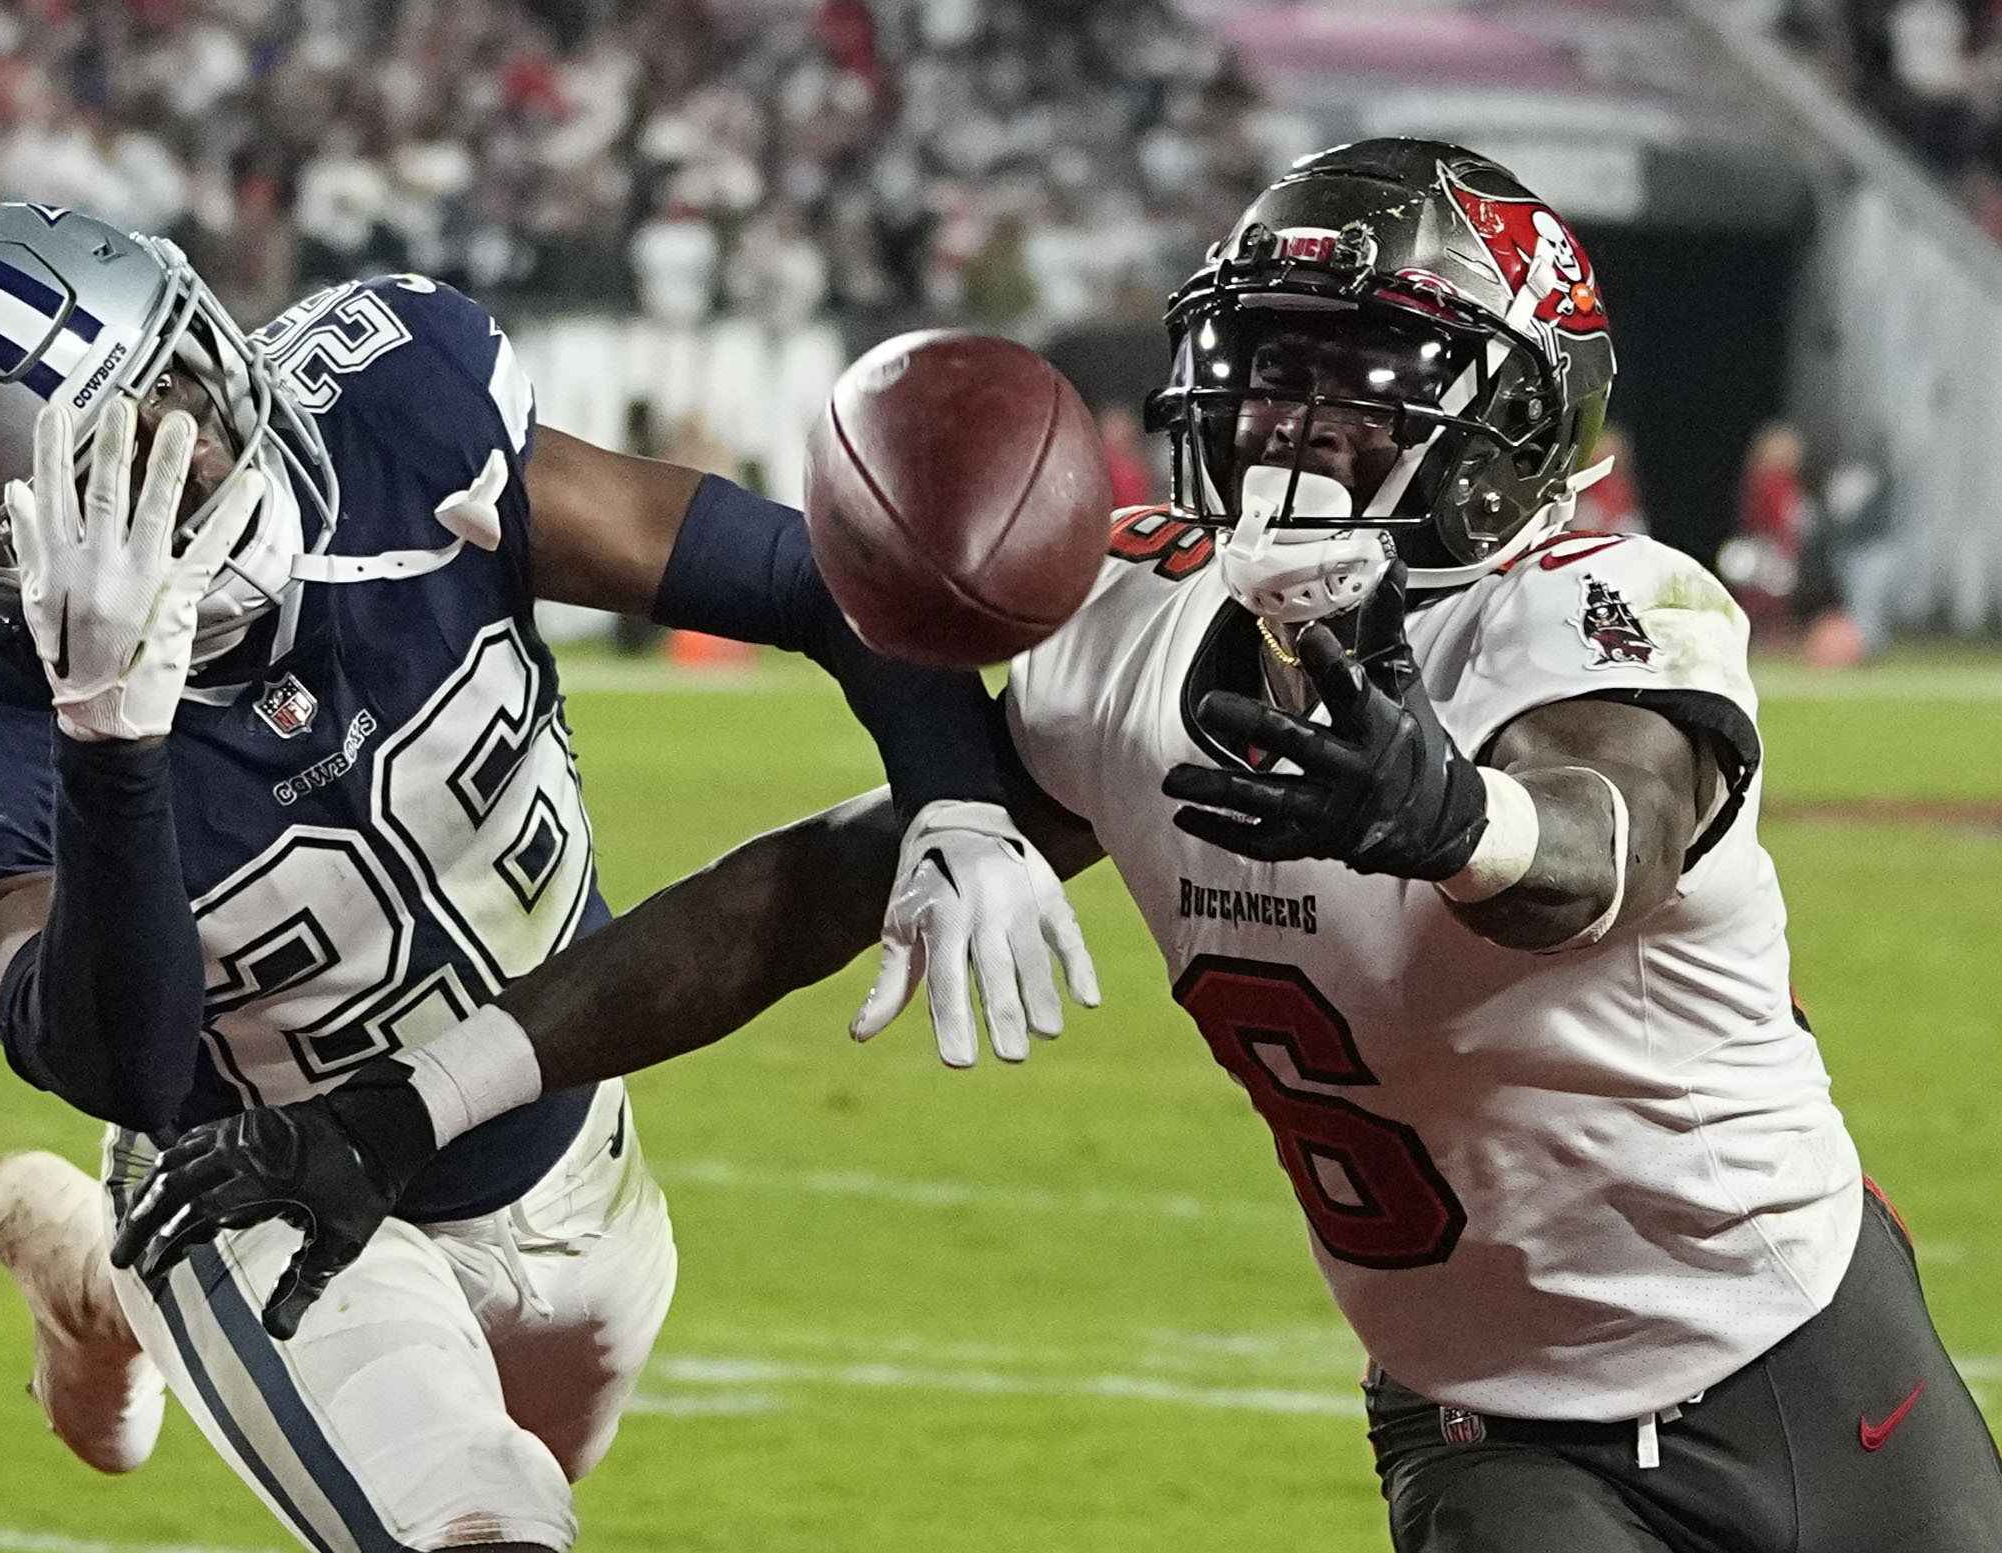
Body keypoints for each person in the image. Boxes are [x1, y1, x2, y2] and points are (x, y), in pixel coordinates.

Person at [123, 142, 2002, 1552]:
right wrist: (396, 1108)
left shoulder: (1605, 613)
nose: (1286, 423)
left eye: (1357, 379)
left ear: (1509, 425)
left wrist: (1451, 816)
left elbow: (1608, 834)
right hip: (1491, 1421)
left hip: (1798, 1334)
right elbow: (796, 895)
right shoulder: (1133, 633)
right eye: (1266, 369)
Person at [0, 202, 1095, 1550]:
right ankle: (150, 1272)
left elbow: (816, 573)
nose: (214, 438)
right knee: (480, 1525)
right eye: (141, 436)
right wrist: (110, 739)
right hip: (274, 1196)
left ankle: (93, 1283)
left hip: (571, 1151)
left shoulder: (391, 422)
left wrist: (954, 796)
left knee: (534, 1465)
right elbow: (119, 1059)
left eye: (191, 374)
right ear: (4, 533)